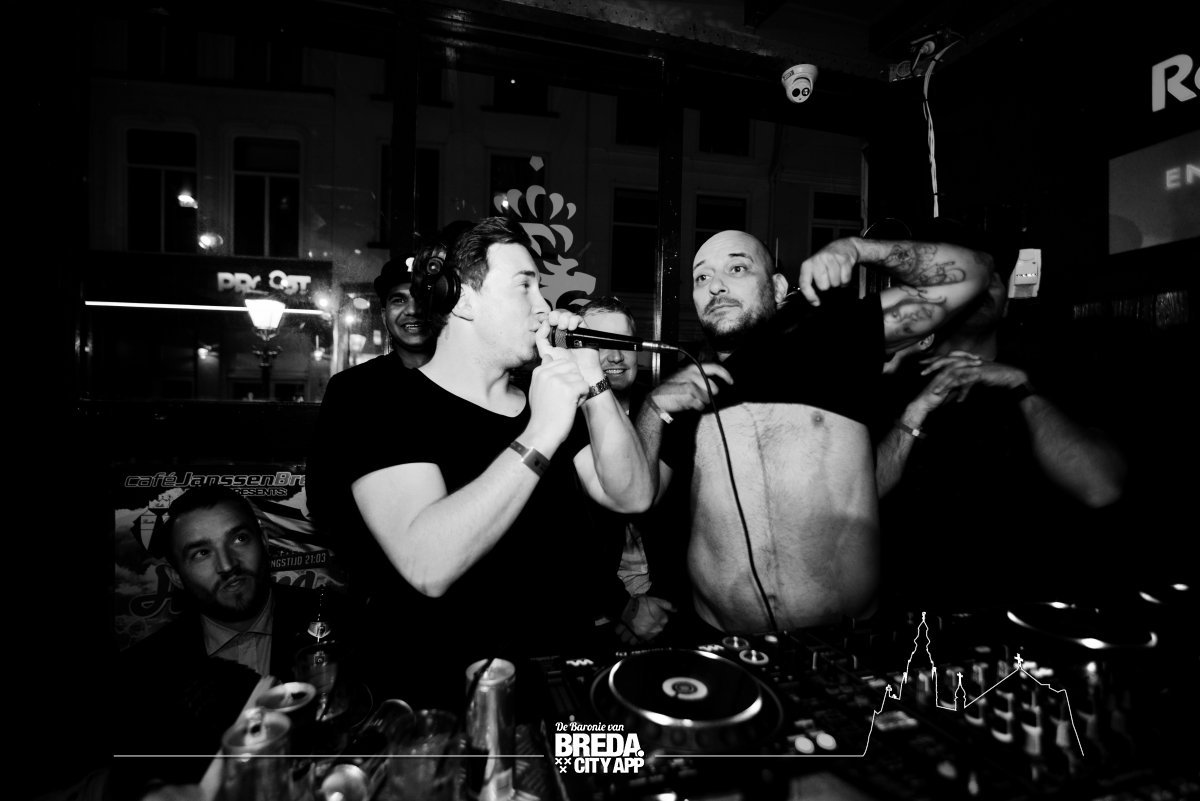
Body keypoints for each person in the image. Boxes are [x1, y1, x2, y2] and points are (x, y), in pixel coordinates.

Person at [307, 216, 655, 708]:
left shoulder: (545, 395)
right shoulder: (381, 404)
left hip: (565, 682)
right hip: (451, 696)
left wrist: (592, 381)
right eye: (525, 286)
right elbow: (427, 564)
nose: (544, 307)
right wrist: (541, 432)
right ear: (462, 300)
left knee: (612, 755)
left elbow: (632, 494)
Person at [635, 230, 993, 634]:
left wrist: (859, 248)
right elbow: (638, 497)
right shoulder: (686, 388)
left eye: (737, 268)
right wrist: (651, 408)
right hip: (723, 642)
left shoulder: (835, 337)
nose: (716, 285)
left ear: (777, 287)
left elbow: (973, 273)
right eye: (702, 277)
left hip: (843, 643)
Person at [874, 270, 1127, 607]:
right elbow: (859, 494)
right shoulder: (889, 379)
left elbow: (1101, 487)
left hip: (1030, 607)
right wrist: (916, 412)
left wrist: (1019, 385)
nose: (982, 287)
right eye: (969, 278)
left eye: (992, 279)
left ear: (1007, 302)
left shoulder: (1050, 373)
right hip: (915, 610)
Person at [112, 486, 328, 790]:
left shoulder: (347, 623)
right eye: (201, 553)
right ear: (176, 576)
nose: (227, 565)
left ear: (264, 541)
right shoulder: (140, 676)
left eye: (239, 539)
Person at [575, 296, 686, 645]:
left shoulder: (665, 408)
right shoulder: (561, 414)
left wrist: (658, 606)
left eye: (624, 344)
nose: (615, 357)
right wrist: (623, 607)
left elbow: (665, 510)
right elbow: (563, 538)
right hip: (588, 608)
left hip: (664, 603)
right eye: (599, 345)